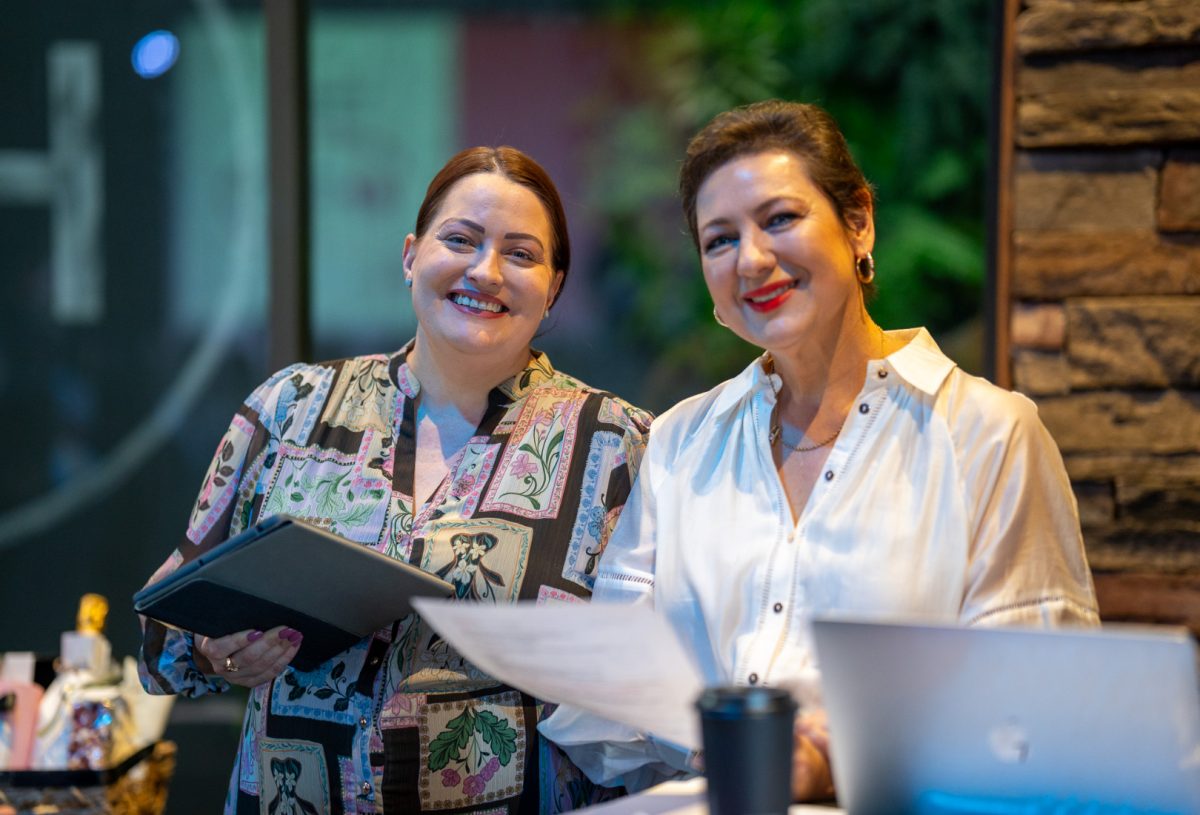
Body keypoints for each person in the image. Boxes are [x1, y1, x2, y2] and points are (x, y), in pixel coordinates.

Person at [539, 99, 1099, 802]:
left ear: (858, 221)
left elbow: (1043, 707)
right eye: (719, 240)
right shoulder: (682, 440)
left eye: (780, 219)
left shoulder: (987, 432)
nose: (752, 258)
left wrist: (840, 765)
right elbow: (611, 699)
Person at [138, 146, 652, 814]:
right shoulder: (292, 407)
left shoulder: (614, 442)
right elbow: (163, 628)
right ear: (411, 254)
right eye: (460, 239)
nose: (485, 271)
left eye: (521, 254)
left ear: (554, 286)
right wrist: (213, 650)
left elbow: (651, 684)